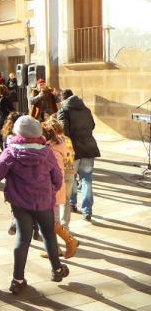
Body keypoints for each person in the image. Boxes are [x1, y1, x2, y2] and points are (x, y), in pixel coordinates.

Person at [0, 116, 69, 294]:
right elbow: (58, 178)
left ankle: (17, 279)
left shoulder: (10, 152)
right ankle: (57, 269)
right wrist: (51, 190)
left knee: (23, 238)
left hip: (20, 203)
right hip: (43, 201)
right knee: (48, 235)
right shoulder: (46, 153)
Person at [57, 89, 100, 221]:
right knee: (87, 179)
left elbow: (63, 131)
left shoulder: (64, 110)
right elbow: (92, 125)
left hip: (73, 150)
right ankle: (87, 210)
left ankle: (72, 203)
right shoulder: (86, 109)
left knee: (71, 178)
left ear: (63, 99)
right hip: (88, 147)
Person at [41, 121, 79, 259]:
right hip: (65, 176)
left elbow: (54, 172)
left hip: (55, 186)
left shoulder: (52, 148)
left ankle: (69, 240)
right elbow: (72, 155)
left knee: (52, 221)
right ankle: (55, 248)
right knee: (50, 220)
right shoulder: (64, 141)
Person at [0, 85, 15, 150]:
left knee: (0, 133)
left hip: (4, 118)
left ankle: (5, 150)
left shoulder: (5, 99)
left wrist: (8, 116)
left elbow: (12, 109)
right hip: (0, 118)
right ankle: (4, 149)